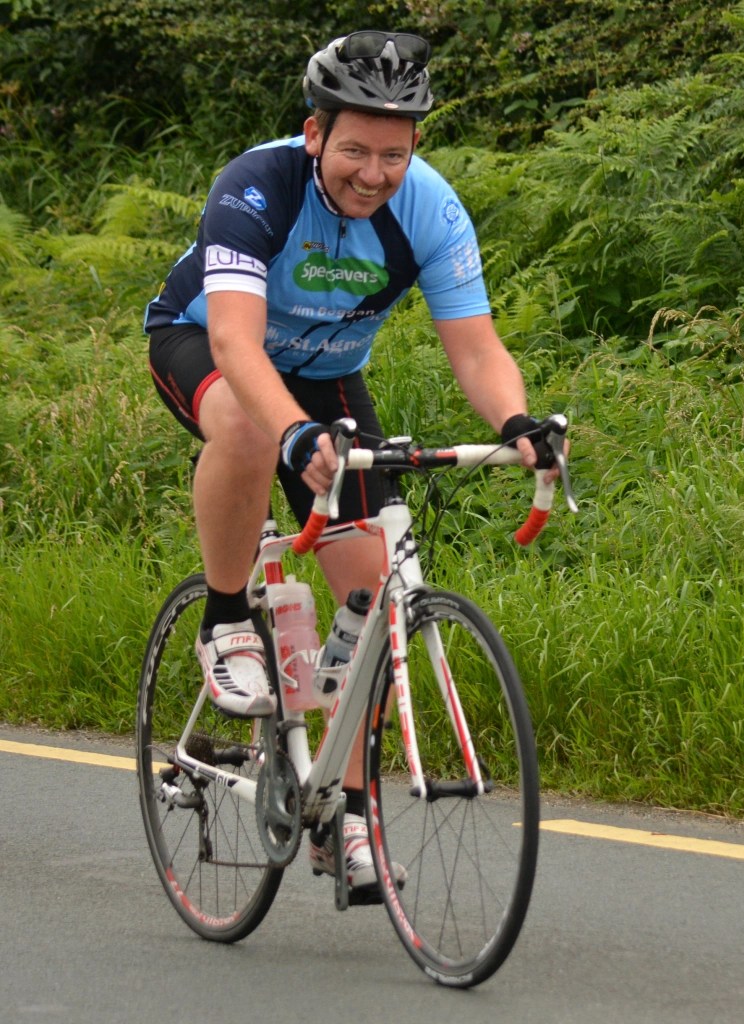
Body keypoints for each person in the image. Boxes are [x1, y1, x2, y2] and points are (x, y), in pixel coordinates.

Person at [145, 29, 561, 896]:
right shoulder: (257, 188)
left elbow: (476, 348)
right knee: (252, 430)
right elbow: (235, 343)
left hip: (328, 374)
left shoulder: (431, 210)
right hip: (206, 344)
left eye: (393, 156)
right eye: (355, 151)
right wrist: (295, 434)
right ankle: (224, 618)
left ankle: (347, 817)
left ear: (415, 150)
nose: (373, 174)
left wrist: (516, 421)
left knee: (375, 605)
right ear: (315, 134)